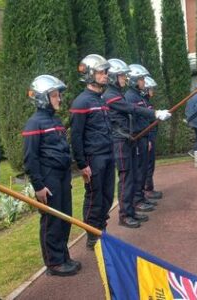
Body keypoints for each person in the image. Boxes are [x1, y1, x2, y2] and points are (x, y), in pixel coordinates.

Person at [23, 75, 80, 276]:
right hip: (48, 179)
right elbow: (30, 158)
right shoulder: (34, 123)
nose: (59, 99)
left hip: (63, 177)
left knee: (65, 218)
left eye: (58, 95)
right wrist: (38, 185)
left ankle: (63, 256)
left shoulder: (54, 120)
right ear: (42, 98)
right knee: (52, 220)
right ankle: (54, 263)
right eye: (54, 95)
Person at [103, 58, 171, 228]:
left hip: (127, 139)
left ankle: (131, 211)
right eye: (122, 76)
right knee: (126, 178)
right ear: (113, 77)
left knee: (132, 176)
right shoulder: (110, 95)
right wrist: (155, 113)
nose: (125, 79)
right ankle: (125, 215)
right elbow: (130, 109)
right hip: (119, 141)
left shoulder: (117, 93)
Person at [70, 54, 115, 250]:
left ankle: (102, 230)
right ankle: (92, 235)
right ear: (89, 74)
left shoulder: (102, 100)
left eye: (105, 72)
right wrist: (82, 164)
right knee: (94, 196)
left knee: (107, 195)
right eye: (100, 72)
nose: (105, 75)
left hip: (107, 155)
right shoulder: (81, 102)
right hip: (93, 158)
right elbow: (76, 136)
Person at [124, 64, 159, 211]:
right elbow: (135, 118)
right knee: (138, 171)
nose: (144, 82)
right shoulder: (130, 97)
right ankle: (137, 199)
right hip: (138, 138)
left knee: (143, 169)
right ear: (133, 80)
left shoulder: (139, 96)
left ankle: (141, 196)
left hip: (145, 137)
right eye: (141, 79)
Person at [143, 76, 163, 200]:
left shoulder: (147, 103)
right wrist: (149, 139)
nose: (152, 92)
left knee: (150, 164)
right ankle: (147, 190)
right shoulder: (144, 104)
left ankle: (149, 188)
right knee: (148, 165)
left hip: (151, 137)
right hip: (148, 137)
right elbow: (146, 123)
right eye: (150, 89)